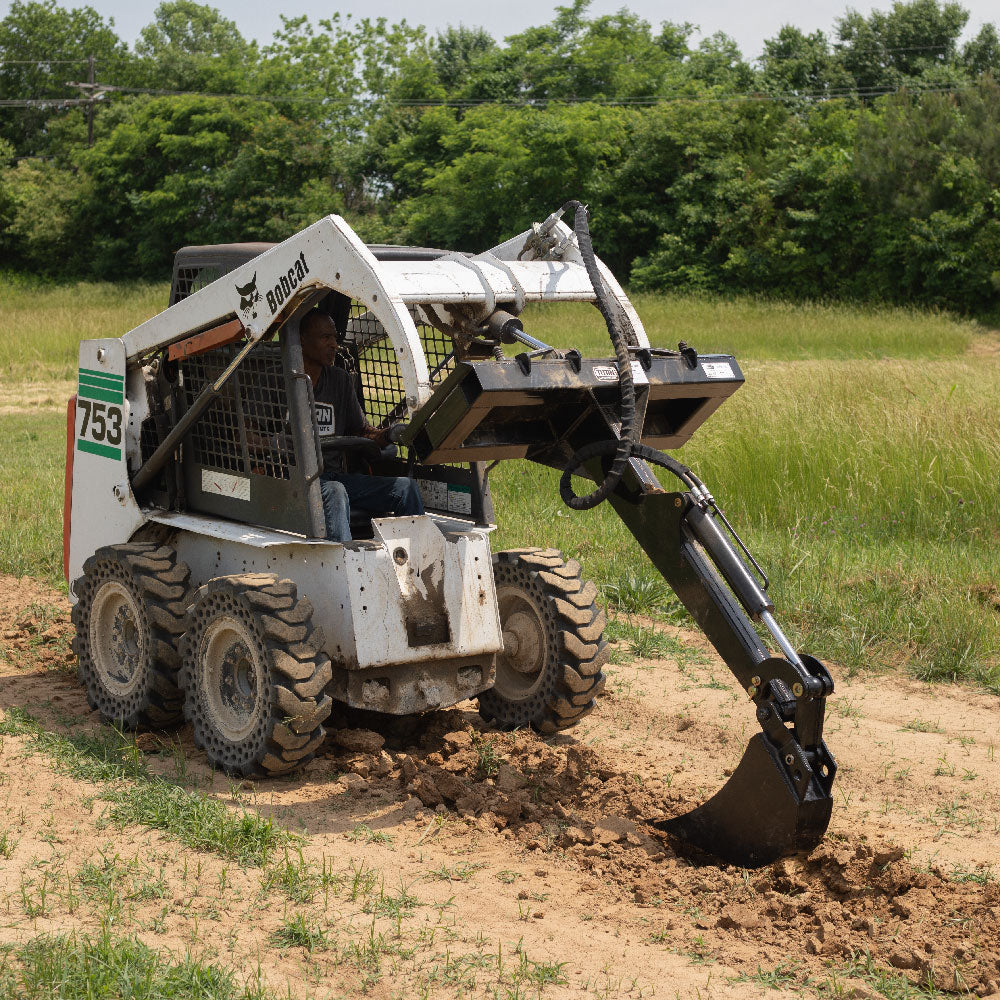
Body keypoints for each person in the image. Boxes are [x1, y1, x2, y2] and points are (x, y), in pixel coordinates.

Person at [299, 309, 424, 541]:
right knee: (335, 492)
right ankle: (345, 568)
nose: (334, 344)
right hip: (296, 482)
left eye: (335, 338)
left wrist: (389, 434)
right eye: (325, 337)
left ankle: (418, 563)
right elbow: (249, 434)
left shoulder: (339, 380)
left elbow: (362, 431)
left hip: (334, 477)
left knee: (406, 489)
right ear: (302, 340)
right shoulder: (278, 381)